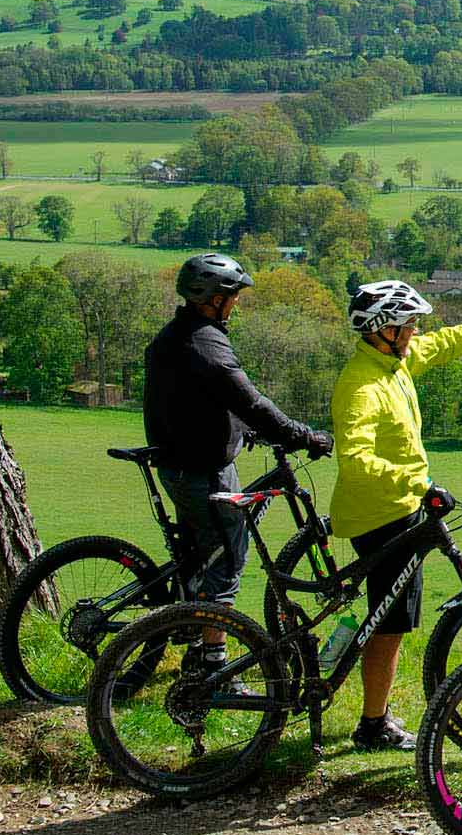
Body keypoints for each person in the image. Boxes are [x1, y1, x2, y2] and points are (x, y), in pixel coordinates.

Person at [329, 279, 462, 752]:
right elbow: (356, 459)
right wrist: (420, 486)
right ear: (383, 329)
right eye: (408, 325)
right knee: (389, 623)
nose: (415, 333)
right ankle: (373, 723)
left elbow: (449, 341)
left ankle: (370, 713)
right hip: (383, 514)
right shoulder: (363, 386)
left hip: (399, 508)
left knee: (387, 618)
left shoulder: (394, 363)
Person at [142, 253, 332, 672]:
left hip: (179, 464)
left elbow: (196, 402)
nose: (237, 304)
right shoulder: (205, 343)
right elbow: (250, 400)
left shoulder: (177, 334)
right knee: (227, 562)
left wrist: (240, 429)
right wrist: (304, 436)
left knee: (201, 555)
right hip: (203, 472)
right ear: (212, 300)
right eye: (232, 296)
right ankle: (213, 666)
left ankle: (192, 636)